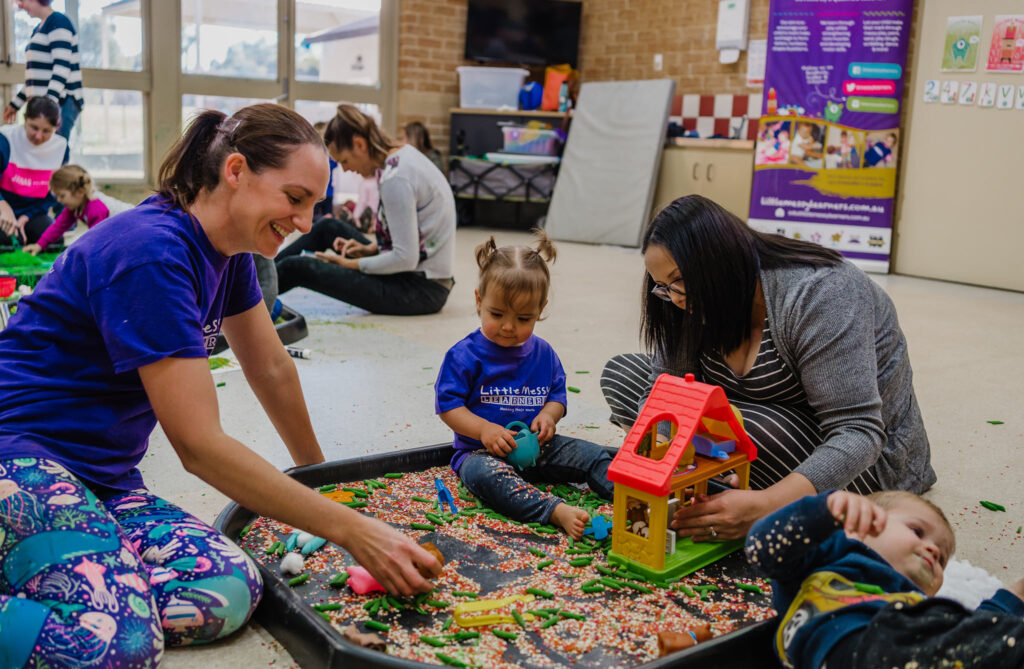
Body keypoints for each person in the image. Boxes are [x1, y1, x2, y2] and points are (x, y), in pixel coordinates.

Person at [0, 103, 439, 667]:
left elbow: (271, 368)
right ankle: (80, 575)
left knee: (228, 588)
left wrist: (322, 484)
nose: (306, 223)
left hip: (103, 478)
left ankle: (78, 567)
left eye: (314, 204)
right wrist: (353, 530)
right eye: (295, 198)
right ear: (235, 171)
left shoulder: (227, 253)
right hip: (21, 458)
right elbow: (199, 446)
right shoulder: (151, 253)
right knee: (116, 644)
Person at [599, 195, 935, 544]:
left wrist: (765, 506)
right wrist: (661, 463)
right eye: (663, 287)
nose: (675, 299)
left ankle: (754, 493)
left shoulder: (821, 293)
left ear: (720, 261)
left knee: (744, 428)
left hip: (864, 462)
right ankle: (728, 483)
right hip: (763, 425)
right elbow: (667, 392)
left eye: (679, 281)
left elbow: (858, 432)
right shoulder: (681, 301)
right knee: (623, 376)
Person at [434, 232, 613, 539]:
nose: (508, 326)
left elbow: (557, 395)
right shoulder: (464, 355)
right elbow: (448, 407)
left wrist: (549, 416)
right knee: (486, 477)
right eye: (497, 314)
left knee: (594, 455)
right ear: (479, 301)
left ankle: (635, 496)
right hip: (481, 453)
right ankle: (553, 510)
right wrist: (483, 430)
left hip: (539, 448)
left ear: (540, 310)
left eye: (523, 318)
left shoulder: (543, 353)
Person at [746, 490, 1024, 668]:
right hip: (860, 646)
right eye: (917, 531)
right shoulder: (827, 557)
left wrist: (1014, 595)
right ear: (855, 525)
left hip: (906, 647)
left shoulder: (913, 604)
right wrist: (821, 512)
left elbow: (969, 635)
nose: (933, 550)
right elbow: (761, 547)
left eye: (942, 560)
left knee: (974, 635)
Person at [276, 103, 456, 315]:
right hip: (416, 274)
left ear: (360, 144)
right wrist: (371, 249)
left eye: (344, 161)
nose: (346, 169)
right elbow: (412, 237)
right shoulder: (400, 159)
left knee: (298, 268)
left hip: (421, 290)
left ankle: (247, 297)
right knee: (328, 227)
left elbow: (405, 259)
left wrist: (349, 264)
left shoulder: (396, 178)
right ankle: (258, 274)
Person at [4, 0, 83, 140]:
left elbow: (61, 68)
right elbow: (34, 79)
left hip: (61, 102)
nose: (20, 6)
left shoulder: (58, 21)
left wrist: (47, 106)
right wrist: (16, 104)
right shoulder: (39, 28)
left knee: (55, 149)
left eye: (22, 0)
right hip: (45, 104)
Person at [0, 96, 68, 246]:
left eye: (46, 131)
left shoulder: (61, 148)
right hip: (3, 208)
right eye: (34, 127)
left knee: (54, 239)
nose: (38, 136)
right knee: (7, 240)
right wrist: (3, 206)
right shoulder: (5, 138)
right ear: (25, 119)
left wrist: (27, 216)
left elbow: (55, 192)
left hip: (33, 212)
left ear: (56, 128)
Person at [22, 164, 133, 254]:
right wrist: (39, 245)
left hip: (133, 228)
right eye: (57, 196)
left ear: (80, 192)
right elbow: (58, 226)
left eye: (62, 196)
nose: (59, 200)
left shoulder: (96, 208)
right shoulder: (76, 205)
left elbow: (96, 240)